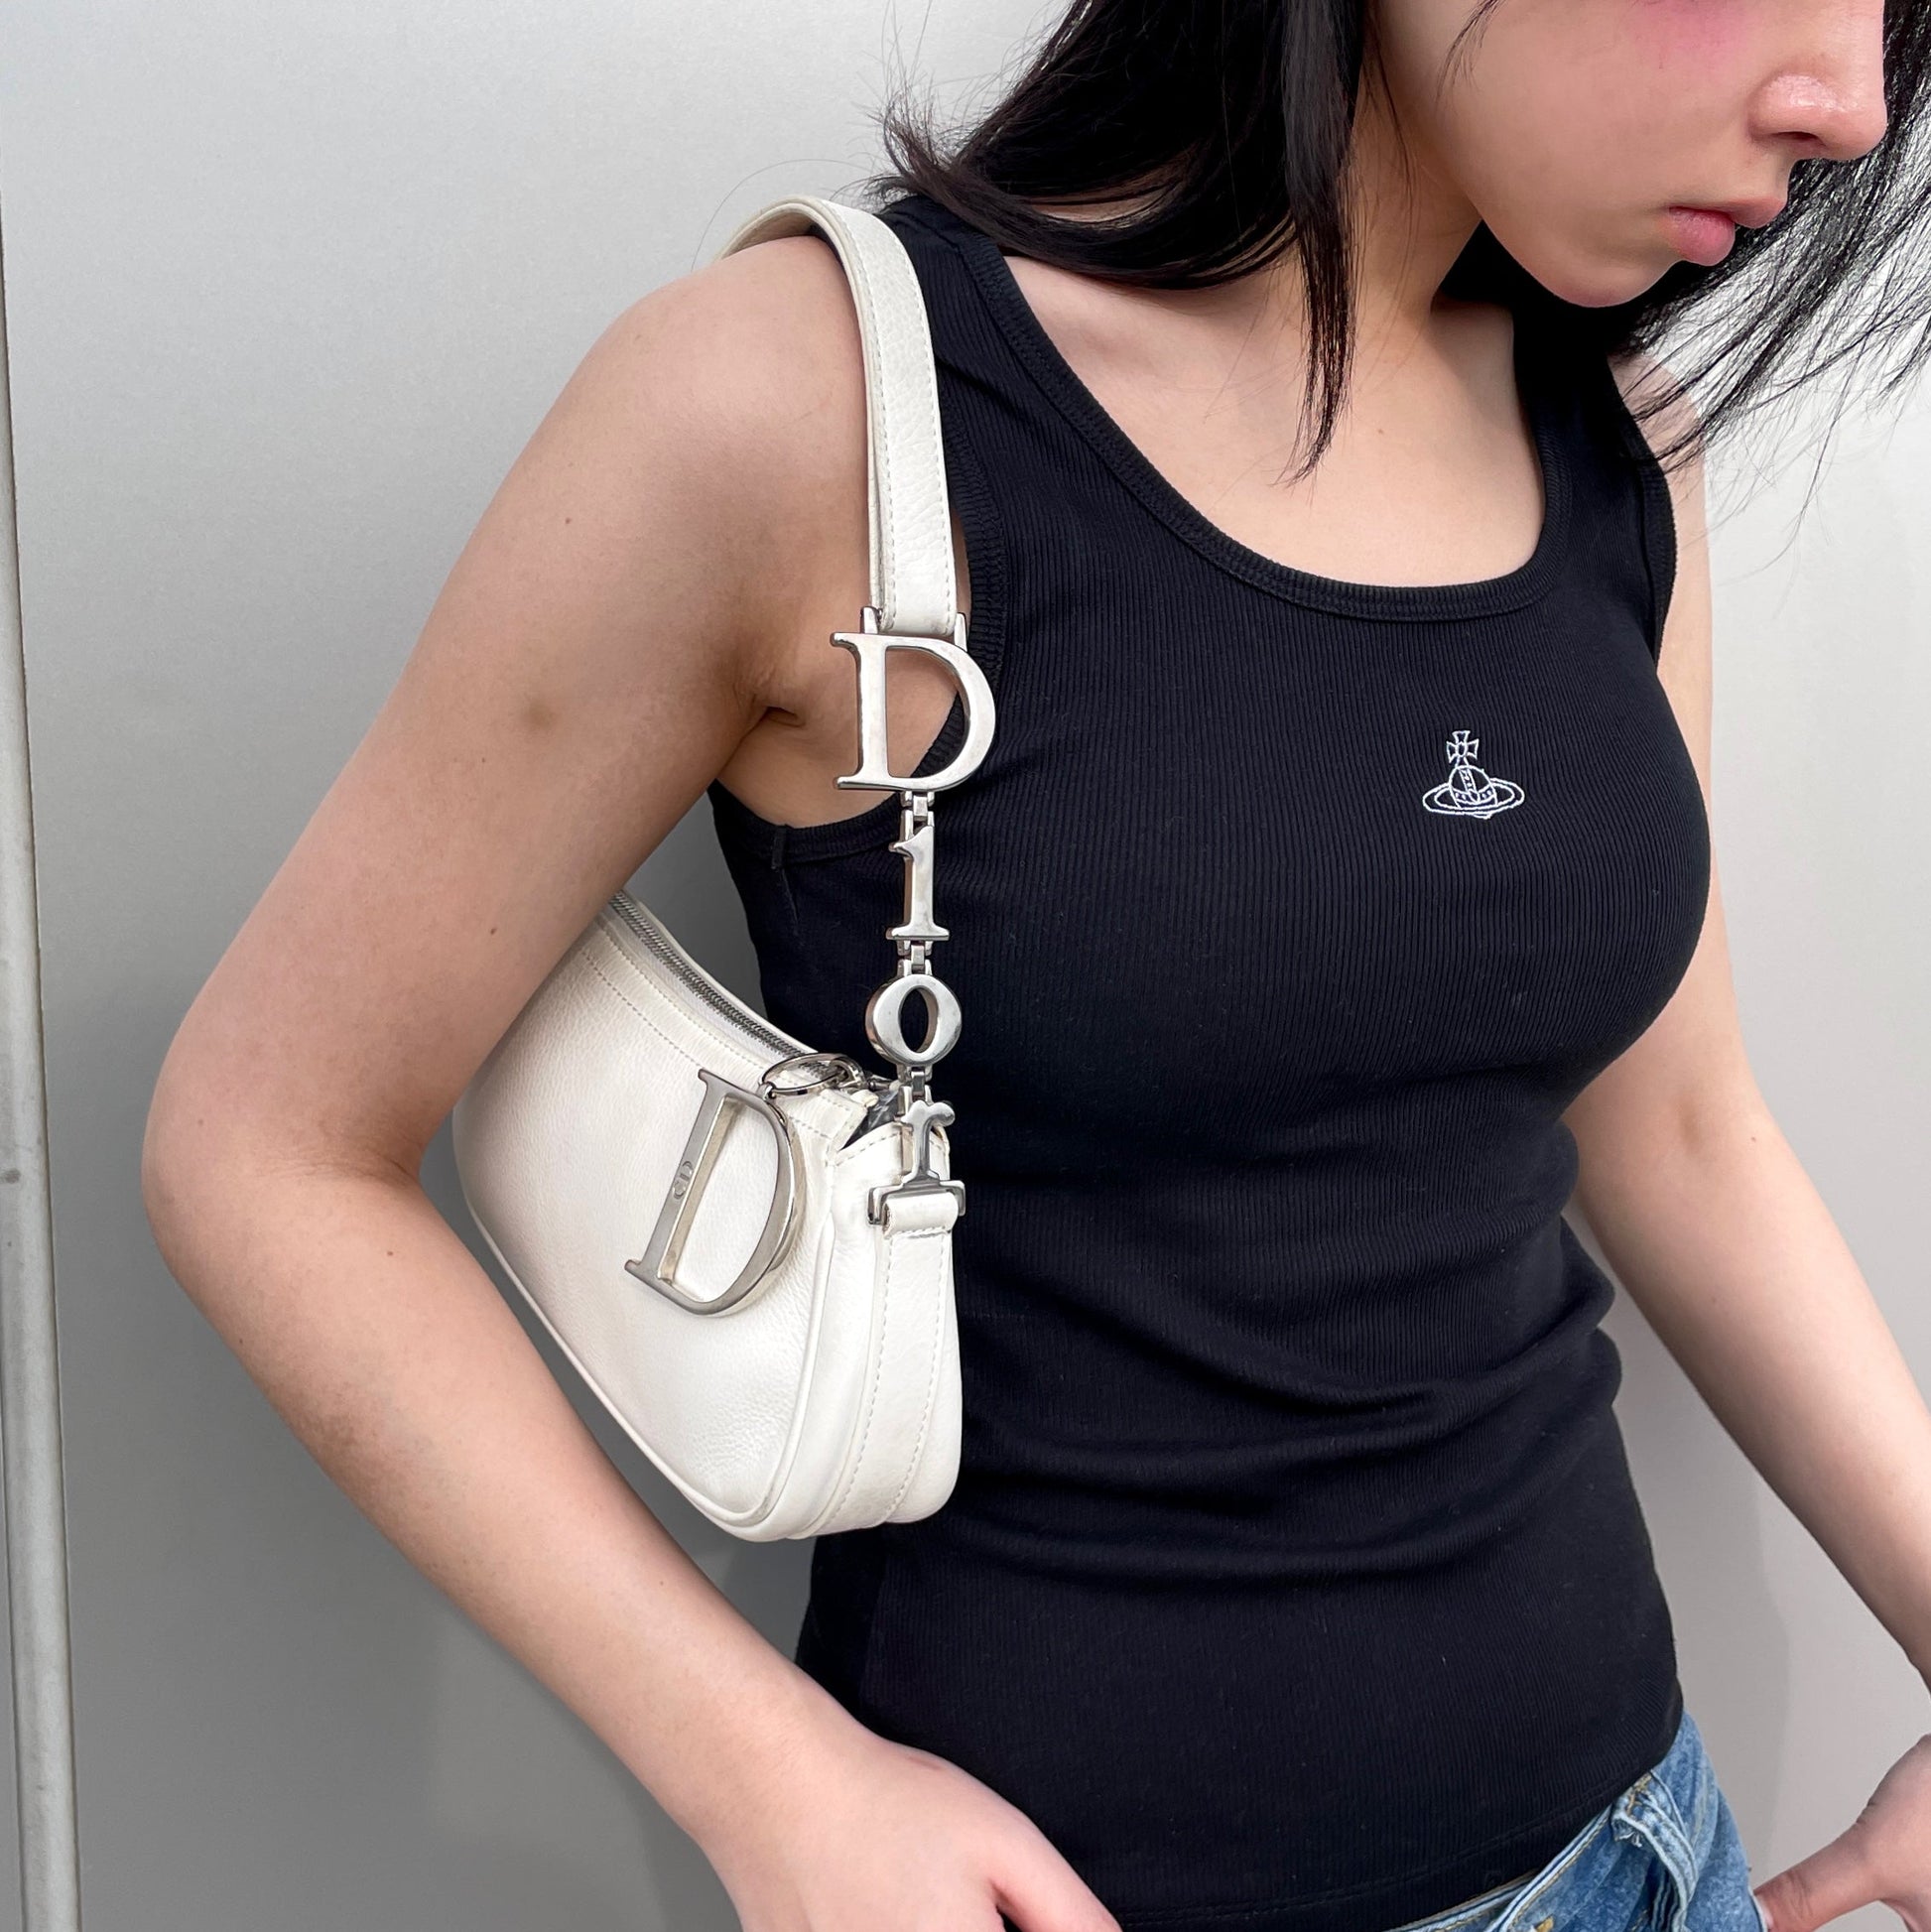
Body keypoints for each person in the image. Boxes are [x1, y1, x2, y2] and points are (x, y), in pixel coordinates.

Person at [140, 3, 1931, 1930]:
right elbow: (265, 1146)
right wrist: (770, 1778)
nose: (1850, 103)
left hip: (1646, 1849)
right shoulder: (815, 410)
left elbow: (1679, 1129)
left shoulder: (1614, 437)